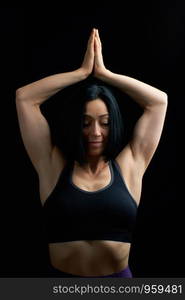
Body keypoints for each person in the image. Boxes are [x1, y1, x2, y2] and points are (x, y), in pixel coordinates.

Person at [15, 28, 168, 278]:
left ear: (113, 124)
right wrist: (81, 73)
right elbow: (25, 98)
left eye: (104, 122)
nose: (95, 132)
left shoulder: (130, 165)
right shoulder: (52, 165)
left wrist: (105, 75)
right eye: (85, 122)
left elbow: (158, 102)